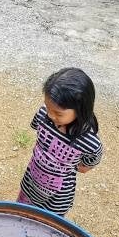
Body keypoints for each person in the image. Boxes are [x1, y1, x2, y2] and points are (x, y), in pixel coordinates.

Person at [18, 67, 103, 217]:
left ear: (81, 109)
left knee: (47, 229)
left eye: (58, 113)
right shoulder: (43, 114)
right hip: (30, 184)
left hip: (57, 201)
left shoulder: (89, 142)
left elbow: (85, 167)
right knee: (21, 216)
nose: (50, 115)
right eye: (48, 107)